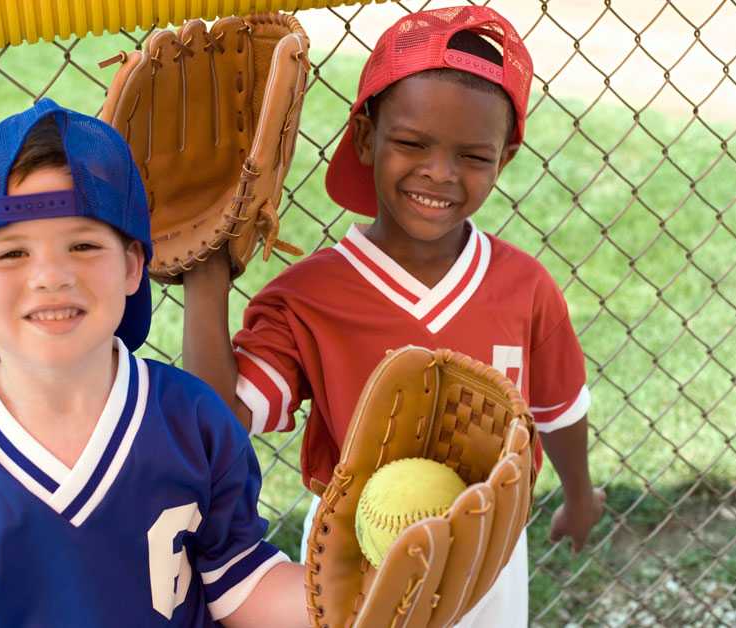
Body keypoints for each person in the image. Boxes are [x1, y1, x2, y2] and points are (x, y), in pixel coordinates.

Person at [181, 6, 606, 626]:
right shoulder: (306, 298)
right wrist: (206, 276)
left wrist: (578, 496)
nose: (440, 172)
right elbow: (221, 419)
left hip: (489, 553)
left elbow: (558, 408)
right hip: (354, 555)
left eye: (473, 156)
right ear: (364, 138)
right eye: (411, 143)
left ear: (506, 158)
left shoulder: (525, 287)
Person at [0, 99, 307, 628]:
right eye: (12, 253)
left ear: (131, 266)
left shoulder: (192, 418)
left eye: (82, 245)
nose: (52, 276)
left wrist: (352, 596)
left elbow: (240, 586)